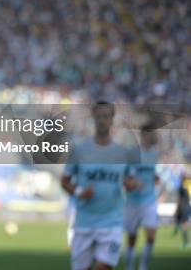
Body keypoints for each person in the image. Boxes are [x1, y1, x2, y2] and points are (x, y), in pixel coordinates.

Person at [61, 102, 139, 270]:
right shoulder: (80, 151)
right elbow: (65, 181)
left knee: (104, 266)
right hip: (84, 222)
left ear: (112, 120)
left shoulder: (122, 153)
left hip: (112, 222)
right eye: (99, 116)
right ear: (93, 118)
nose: (102, 120)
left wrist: (131, 184)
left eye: (106, 116)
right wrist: (80, 192)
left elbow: (132, 180)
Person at [124, 125, 160, 270]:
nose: (155, 136)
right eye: (153, 133)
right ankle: (129, 266)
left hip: (149, 200)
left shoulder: (155, 154)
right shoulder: (132, 154)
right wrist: (131, 182)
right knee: (132, 239)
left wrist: (155, 178)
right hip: (132, 201)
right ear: (145, 134)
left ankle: (143, 266)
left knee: (151, 237)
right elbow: (125, 175)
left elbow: (153, 174)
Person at [172, 171, 190, 250]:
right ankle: (177, 229)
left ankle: (186, 242)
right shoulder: (185, 185)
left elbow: (180, 198)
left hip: (185, 206)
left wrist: (178, 207)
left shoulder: (183, 186)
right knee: (182, 222)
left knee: (184, 225)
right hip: (186, 206)